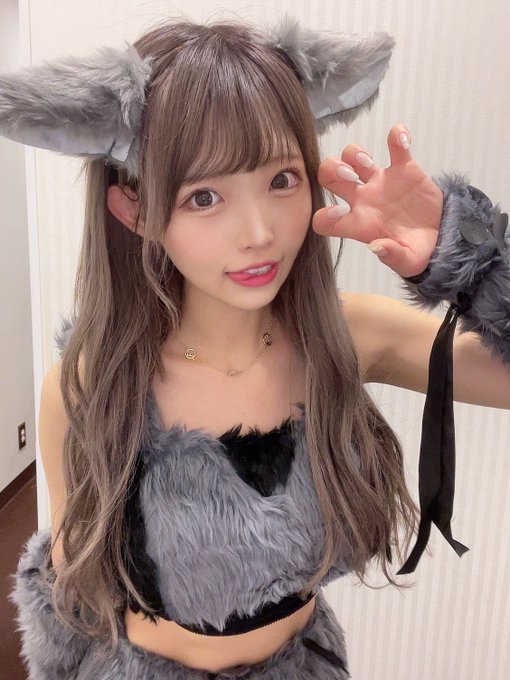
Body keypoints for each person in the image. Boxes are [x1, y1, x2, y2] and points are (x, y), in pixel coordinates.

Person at [2, 15, 509, 680]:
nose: (259, 232)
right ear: (137, 211)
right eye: (204, 196)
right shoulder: (90, 382)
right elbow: (71, 595)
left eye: (281, 180)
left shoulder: (343, 337)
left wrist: (467, 255)